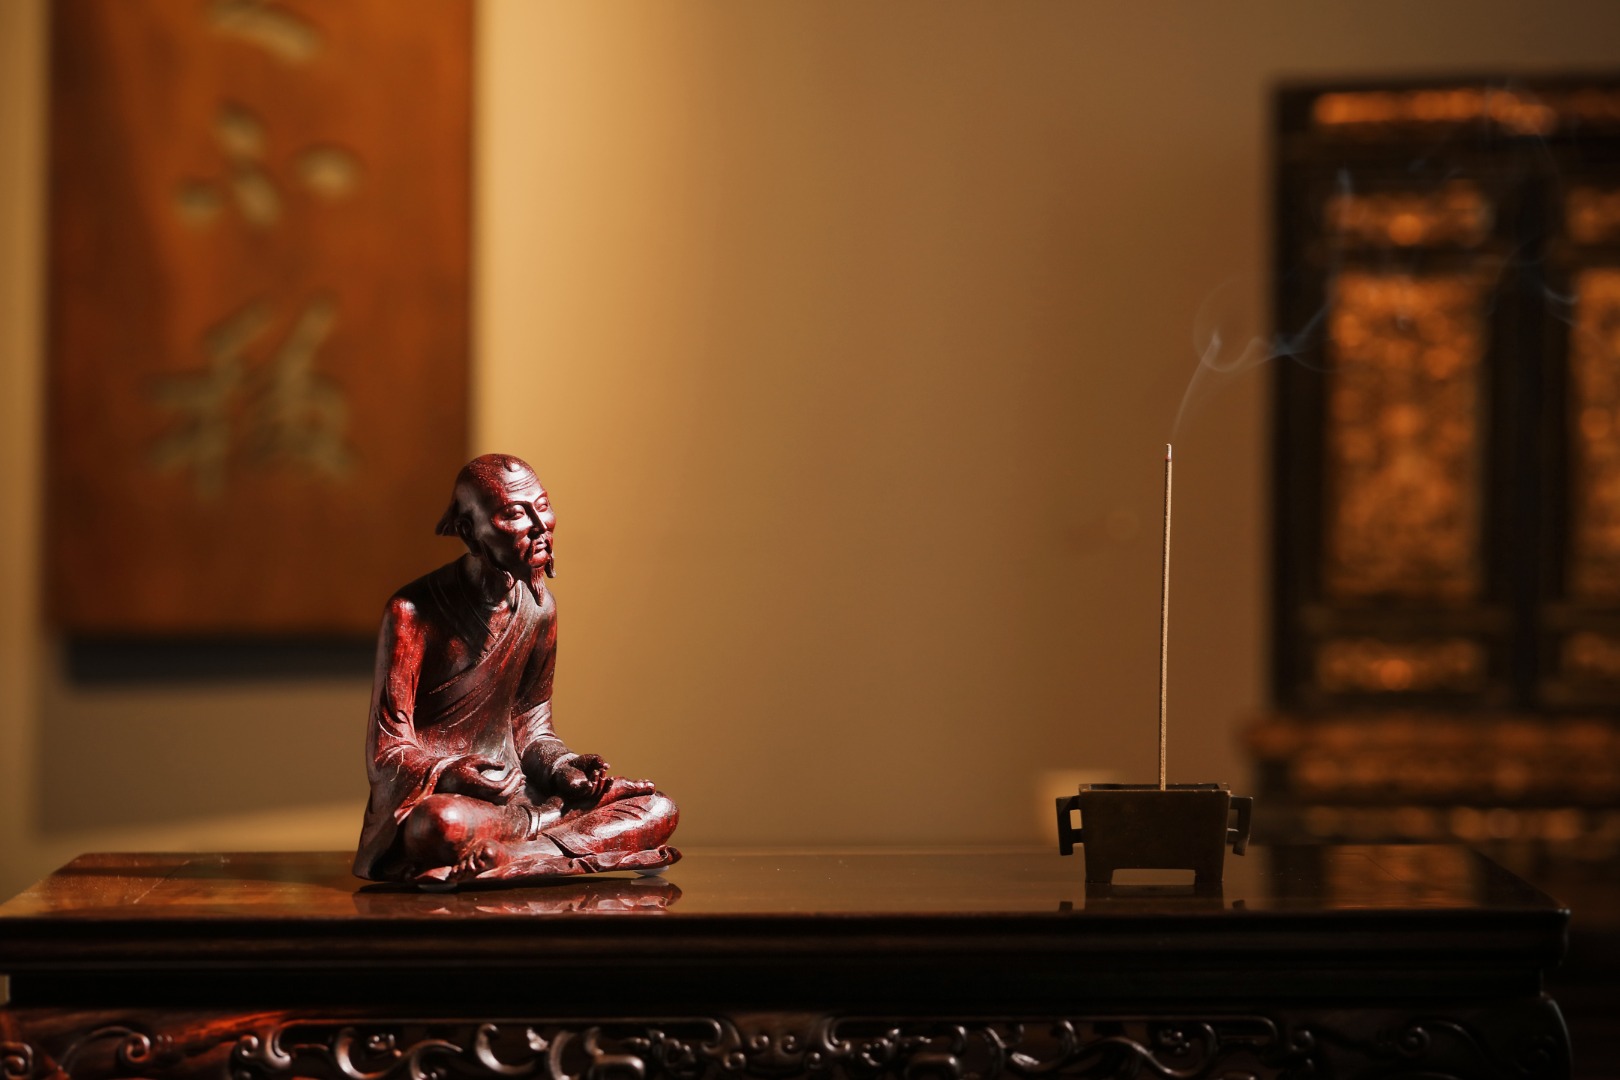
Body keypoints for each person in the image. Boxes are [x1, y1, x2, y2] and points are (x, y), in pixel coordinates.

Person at [353, 454, 678, 885]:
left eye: (542, 507)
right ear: (468, 530)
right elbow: (387, 750)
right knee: (438, 826)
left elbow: (532, 726)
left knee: (658, 808)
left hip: (527, 797)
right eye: (514, 514)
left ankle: (511, 856)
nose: (540, 526)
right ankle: (552, 847)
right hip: (463, 805)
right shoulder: (412, 612)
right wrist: (450, 772)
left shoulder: (540, 610)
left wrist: (564, 768)